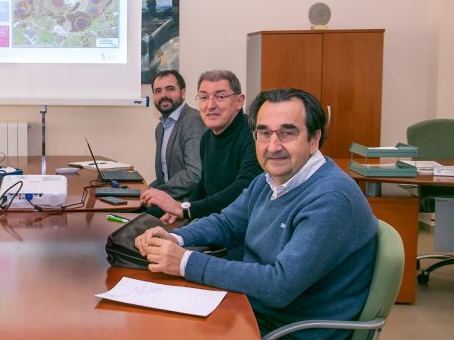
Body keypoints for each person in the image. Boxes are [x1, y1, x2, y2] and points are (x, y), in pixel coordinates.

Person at [135, 88, 378, 340]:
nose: (273, 146)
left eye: (287, 133)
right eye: (264, 133)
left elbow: (279, 285)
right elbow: (227, 222)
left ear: (314, 140)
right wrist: (176, 238)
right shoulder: (269, 180)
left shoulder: (332, 198)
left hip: (291, 329)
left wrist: (185, 263)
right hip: (253, 308)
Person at [141, 70, 262, 222]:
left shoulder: (255, 136)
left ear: (239, 101)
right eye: (204, 97)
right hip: (213, 220)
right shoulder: (207, 137)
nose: (210, 105)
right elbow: (203, 185)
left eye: (220, 96)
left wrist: (185, 209)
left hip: (236, 228)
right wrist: (184, 208)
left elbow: (243, 189)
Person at [147, 69, 205, 201]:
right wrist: (145, 191)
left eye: (170, 89)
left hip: (186, 203)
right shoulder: (160, 128)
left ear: (183, 93)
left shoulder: (193, 120)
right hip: (168, 198)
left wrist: (156, 193)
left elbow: (194, 174)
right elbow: (165, 179)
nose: (163, 95)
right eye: (158, 91)